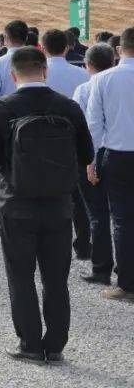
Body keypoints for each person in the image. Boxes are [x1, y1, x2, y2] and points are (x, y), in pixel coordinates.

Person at [0, 47, 94, 362]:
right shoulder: (68, 107)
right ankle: (55, 344)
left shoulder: (2, 108)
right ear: (45, 70)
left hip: (16, 203)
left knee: (20, 274)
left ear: (13, 74)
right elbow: (86, 154)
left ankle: (29, 343)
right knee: (56, 278)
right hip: (59, 204)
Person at [85, 27, 134, 301]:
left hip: (116, 155)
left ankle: (126, 282)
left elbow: (94, 125)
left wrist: (90, 161)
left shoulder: (102, 80)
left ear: (118, 50)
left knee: (123, 220)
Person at [41, 28, 93, 258]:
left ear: (42, 47)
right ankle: (82, 243)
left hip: (42, 139)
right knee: (79, 196)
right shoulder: (82, 75)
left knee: (46, 193)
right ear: (68, 47)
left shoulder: (40, 74)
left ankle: (49, 242)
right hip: (74, 138)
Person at [75, 43, 117, 286]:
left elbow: (83, 128)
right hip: (122, 151)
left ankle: (101, 268)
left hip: (95, 153)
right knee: (123, 215)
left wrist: (88, 161)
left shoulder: (83, 89)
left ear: (87, 65)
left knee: (97, 214)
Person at [0, 20, 29, 103]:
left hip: (4, 113)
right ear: (26, 37)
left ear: (5, 38)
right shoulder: (39, 61)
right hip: (33, 114)